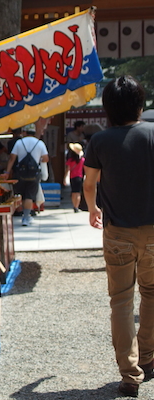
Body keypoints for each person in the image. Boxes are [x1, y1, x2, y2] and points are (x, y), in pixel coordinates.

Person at [83, 75, 154, 398]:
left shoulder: (100, 141)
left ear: (108, 107)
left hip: (117, 233)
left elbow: (89, 184)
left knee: (121, 301)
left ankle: (130, 374)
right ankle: (148, 357)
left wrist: (92, 208)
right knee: (151, 293)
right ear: (140, 104)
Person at [2, 123, 49, 226]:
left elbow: (12, 158)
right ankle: (26, 217)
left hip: (21, 173)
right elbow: (46, 158)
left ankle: (24, 215)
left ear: (24, 132)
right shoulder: (39, 143)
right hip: (34, 174)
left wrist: (7, 172)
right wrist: (37, 160)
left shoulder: (19, 143)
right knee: (29, 196)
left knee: (22, 195)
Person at [64, 142, 85, 213]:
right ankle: (77, 207)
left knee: (73, 192)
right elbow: (85, 169)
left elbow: (67, 169)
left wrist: (64, 178)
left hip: (72, 177)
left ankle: (74, 206)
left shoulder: (70, 160)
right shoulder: (82, 160)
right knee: (78, 192)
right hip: (80, 177)